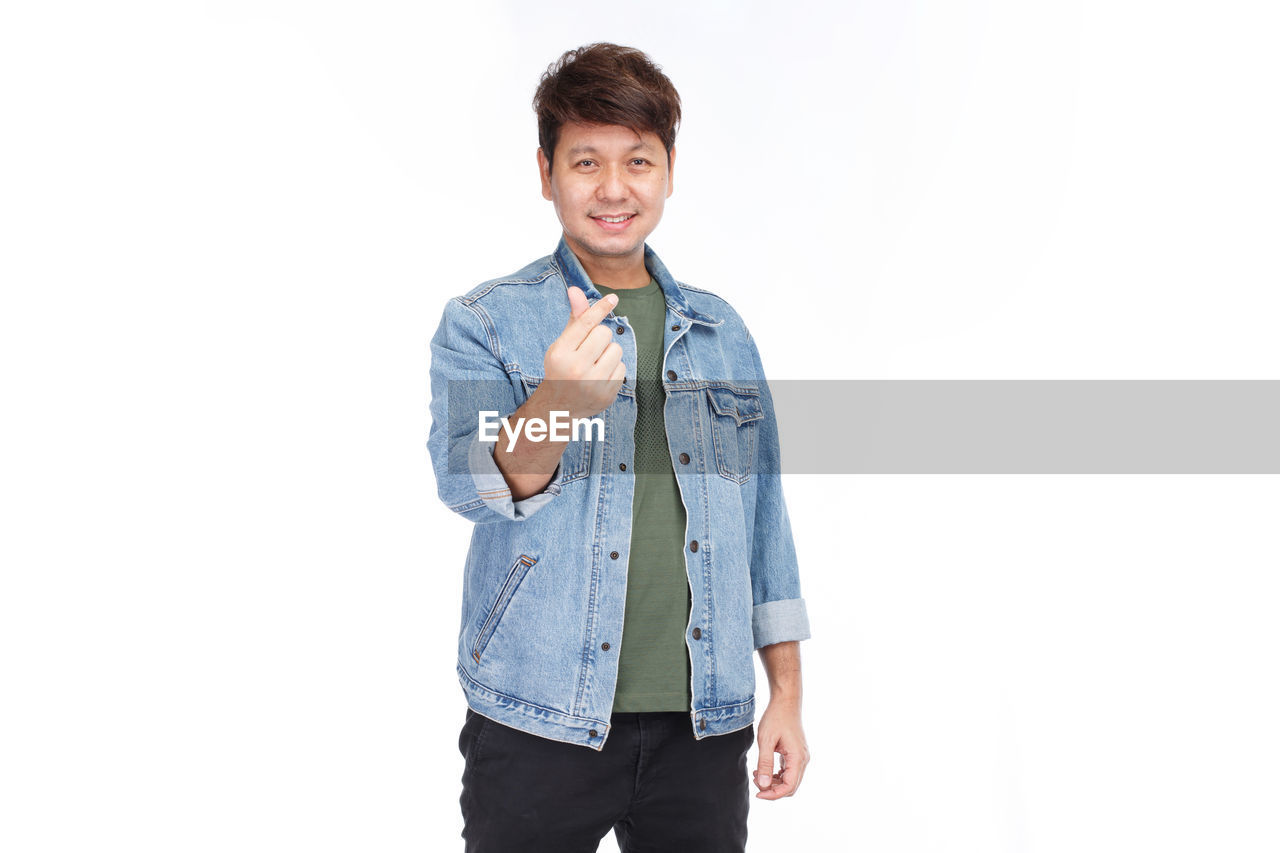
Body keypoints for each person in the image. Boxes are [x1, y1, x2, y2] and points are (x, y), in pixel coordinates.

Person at [427, 42, 812, 852]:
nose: (613, 188)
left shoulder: (722, 333)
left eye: (638, 160)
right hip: (537, 718)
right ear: (545, 172)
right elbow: (468, 486)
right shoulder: (485, 323)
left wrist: (786, 694)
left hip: (703, 724)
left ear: (668, 170)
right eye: (586, 161)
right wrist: (558, 402)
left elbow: (765, 524)